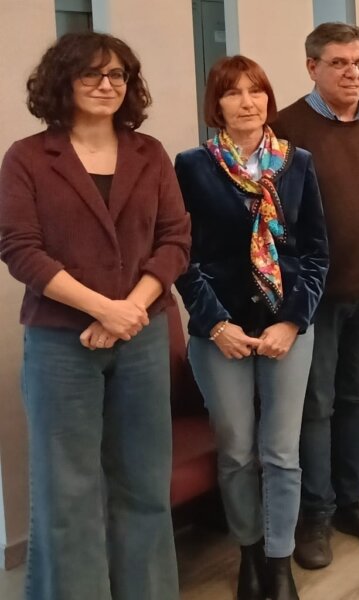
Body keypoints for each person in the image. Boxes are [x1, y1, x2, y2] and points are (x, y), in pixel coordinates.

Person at [0, 32, 190, 599]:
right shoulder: (28, 157)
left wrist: (130, 309)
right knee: (67, 492)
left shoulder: (149, 153)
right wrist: (104, 309)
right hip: (61, 342)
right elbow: (19, 248)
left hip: (143, 337)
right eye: (92, 74)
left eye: (117, 75)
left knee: (145, 484)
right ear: (63, 80)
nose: (107, 85)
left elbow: (176, 240)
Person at [175, 55, 329, 599]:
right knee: (238, 451)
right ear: (215, 105)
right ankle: (249, 553)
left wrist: (293, 321)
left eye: (256, 91)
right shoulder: (192, 166)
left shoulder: (296, 163)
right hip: (220, 333)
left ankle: (279, 561)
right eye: (233, 92)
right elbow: (181, 256)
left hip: (287, 327)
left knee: (282, 452)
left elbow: (316, 253)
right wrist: (215, 323)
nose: (248, 102)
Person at [271, 23, 359, 568]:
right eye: (339, 63)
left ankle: (354, 502)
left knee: (358, 400)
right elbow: (271, 222)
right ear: (312, 67)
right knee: (315, 406)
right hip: (313, 298)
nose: (353, 73)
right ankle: (316, 515)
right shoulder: (284, 129)